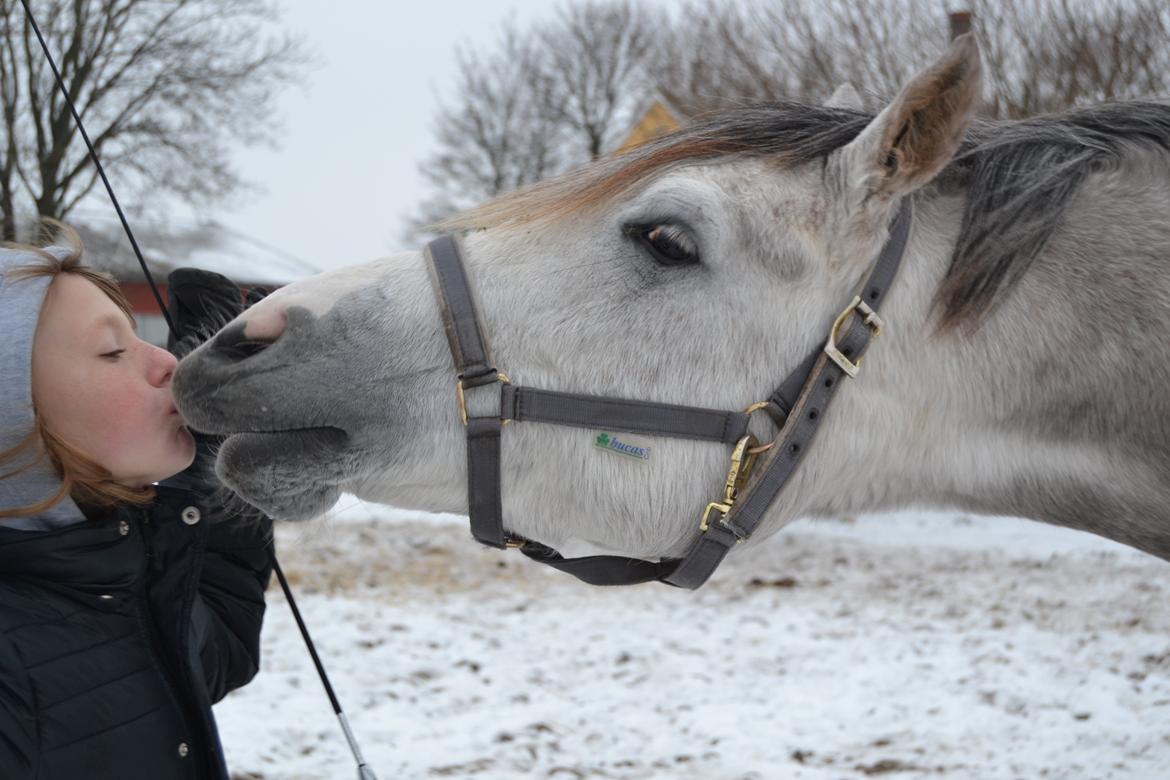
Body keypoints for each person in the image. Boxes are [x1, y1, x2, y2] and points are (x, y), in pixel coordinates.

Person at [0, 224, 273, 779]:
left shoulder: (107, 572)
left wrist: (216, 445)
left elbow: (219, 645)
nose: (169, 363)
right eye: (112, 350)